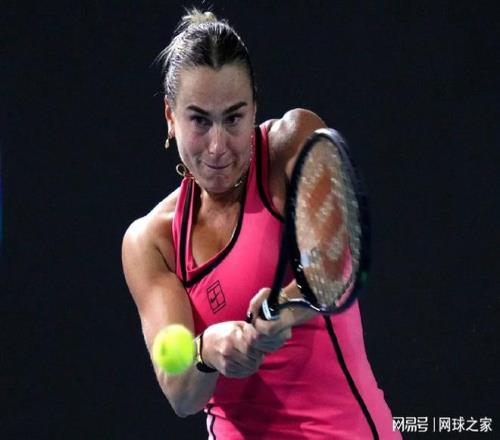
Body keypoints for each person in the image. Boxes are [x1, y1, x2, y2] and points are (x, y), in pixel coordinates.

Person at [122, 9, 400, 440]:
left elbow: (331, 270)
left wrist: (285, 307)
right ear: (170, 117)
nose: (218, 146)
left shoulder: (293, 143)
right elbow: (181, 395)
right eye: (200, 121)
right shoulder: (151, 241)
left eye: (234, 118)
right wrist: (206, 352)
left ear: (254, 108)